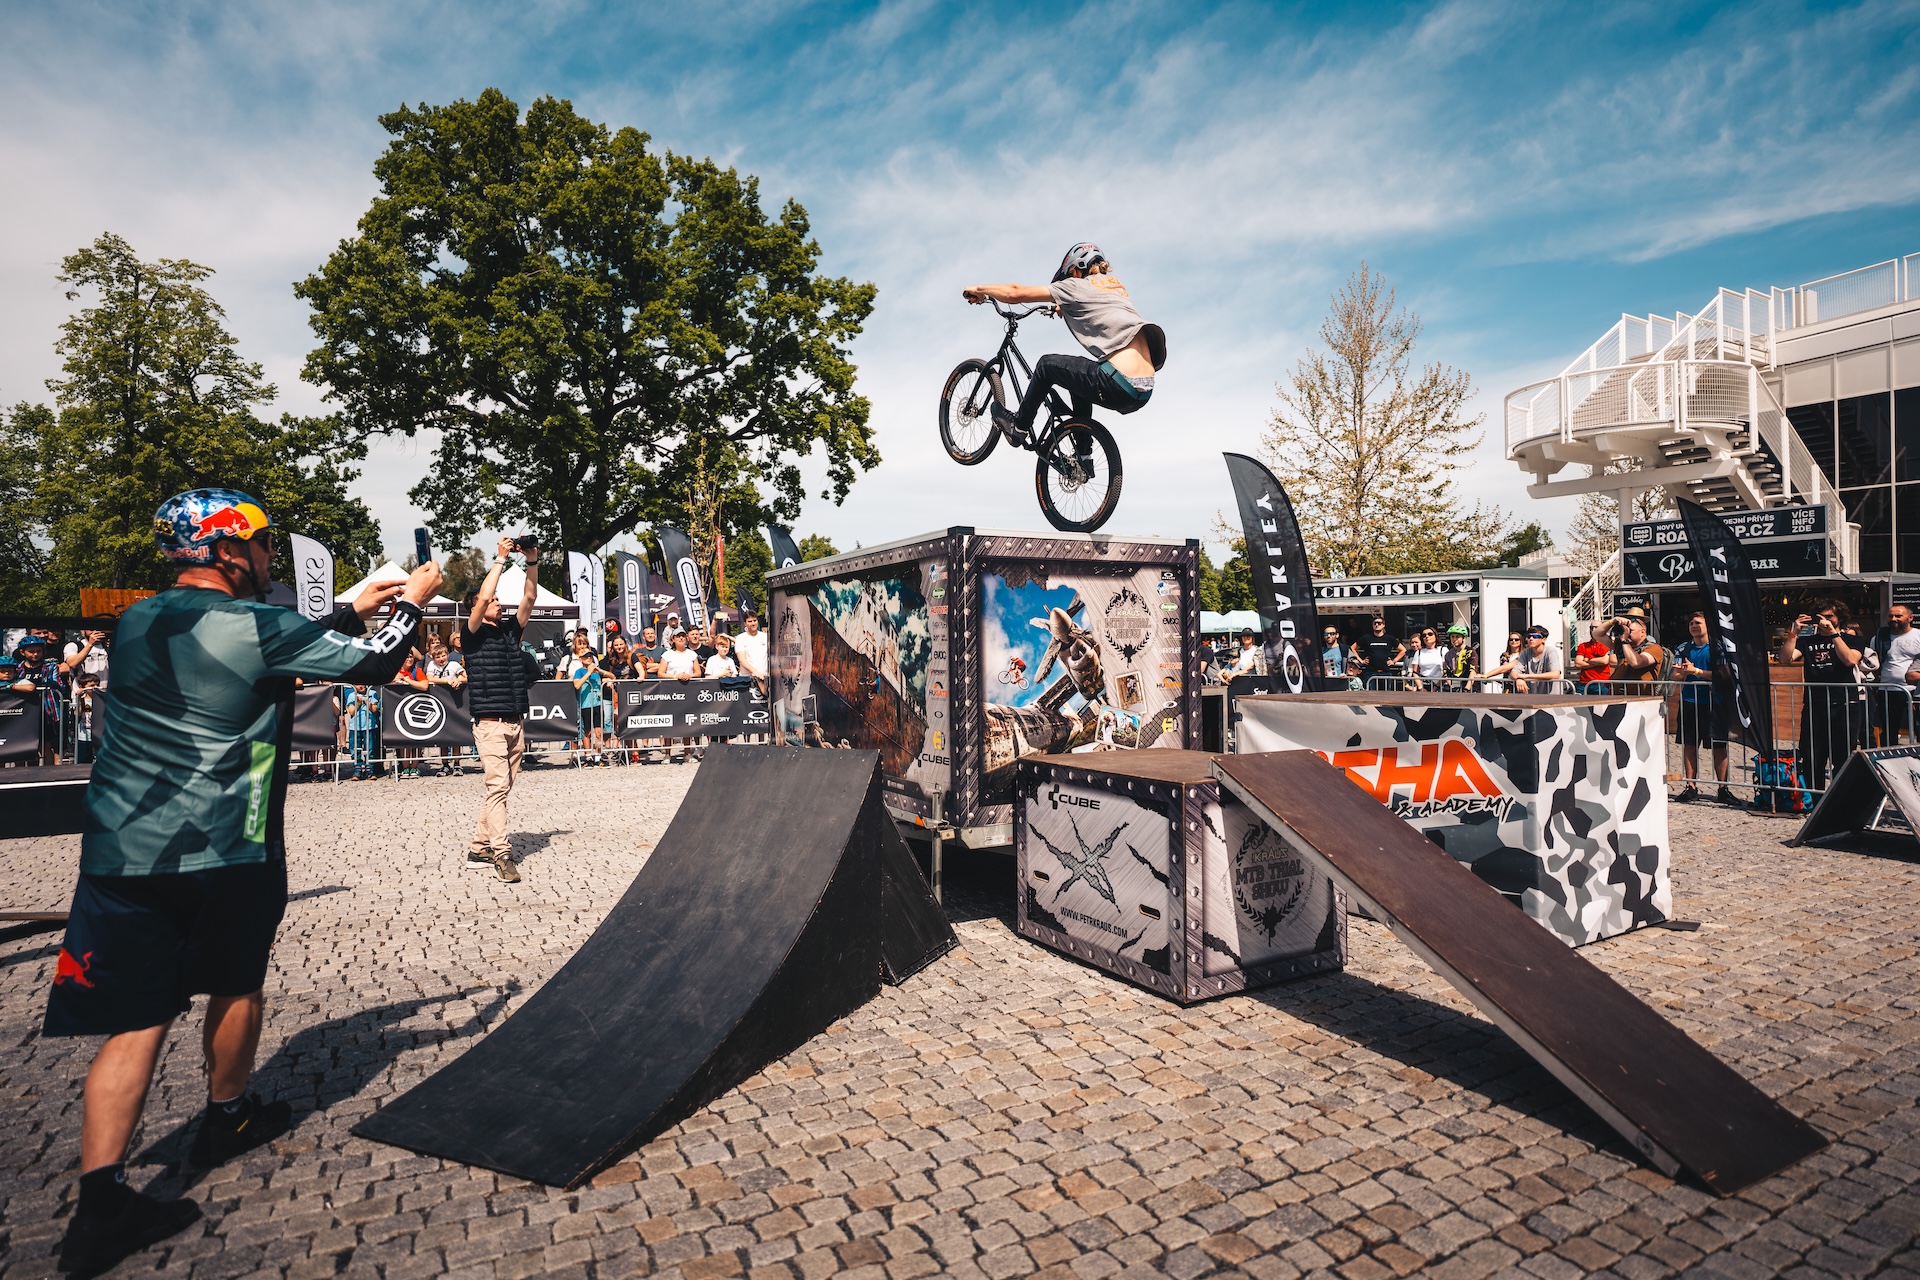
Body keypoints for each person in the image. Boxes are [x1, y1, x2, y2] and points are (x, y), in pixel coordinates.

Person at [44, 488, 434, 1274]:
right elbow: (373, 664)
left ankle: (100, 1202)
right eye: (260, 544)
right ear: (226, 550)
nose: (268, 558)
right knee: (235, 982)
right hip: (225, 843)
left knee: (135, 1019)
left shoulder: (138, 621)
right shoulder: (258, 624)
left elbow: (258, 644)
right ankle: (227, 1116)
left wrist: (350, 605)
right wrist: (414, 602)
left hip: (122, 851)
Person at [964, 243, 1165, 444]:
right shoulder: (1115, 286)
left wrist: (980, 289)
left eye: (1069, 275)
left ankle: (1019, 426)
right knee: (1077, 376)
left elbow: (1015, 293)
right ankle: (1083, 456)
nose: (1068, 280)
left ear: (1076, 269)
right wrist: (1063, 305)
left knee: (1046, 366)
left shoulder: (1075, 286)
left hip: (1117, 382)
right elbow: (1098, 304)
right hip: (1143, 391)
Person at [461, 536, 542, 883]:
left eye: (497, 599)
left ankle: (478, 847)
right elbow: (482, 598)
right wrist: (500, 559)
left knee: (501, 789)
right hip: (490, 723)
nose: (498, 602)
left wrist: (532, 561)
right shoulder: (471, 634)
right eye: (494, 600)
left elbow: (530, 597)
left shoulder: (510, 631)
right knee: (497, 787)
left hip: (515, 722)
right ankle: (502, 854)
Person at [1777, 600, 1863, 790]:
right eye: (1821, 617)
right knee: (1812, 756)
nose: (1825, 620)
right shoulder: (1807, 641)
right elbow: (1784, 659)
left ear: (1839, 617)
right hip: (1815, 704)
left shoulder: (1852, 640)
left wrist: (1833, 633)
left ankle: (1839, 797)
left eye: (1829, 616)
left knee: (1842, 755)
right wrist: (1793, 633)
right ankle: (1814, 797)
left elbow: (1850, 660)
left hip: (1845, 704)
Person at [1671, 612, 1735, 804]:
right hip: (1689, 702)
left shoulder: (1718, 647)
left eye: (1698, 622)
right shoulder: (1683, 648)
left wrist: (1696, 671)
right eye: (1691, 623)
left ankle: (1723, 788)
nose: (1693, 625)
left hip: (1715, 703)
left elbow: (1723, 675)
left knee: (1719, 746)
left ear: (1708, 626)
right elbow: (1675, 675)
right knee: (1689, 744)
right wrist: (1683, 673)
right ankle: (1691, 787)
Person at [1869, 604, 1920, 746]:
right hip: (1887, 690)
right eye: (1890, 616)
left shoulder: (1917, 635)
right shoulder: (1879, 638)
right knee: (1889, 729)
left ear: (1910, 618)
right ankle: (1888, 756)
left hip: (1915, 691)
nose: (1893, 619)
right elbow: (1874, 662)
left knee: (1917, 727)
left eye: (1898, 616)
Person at [423, 637, 466, 775]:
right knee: (443, 735)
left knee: (455, 734)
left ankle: (457, 763)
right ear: (433, 658)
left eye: (443, 656)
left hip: (453, 702)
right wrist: (447, 681)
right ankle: (445, 763)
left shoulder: (453, 665)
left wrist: (458, 680)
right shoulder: (432, 665)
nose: (441, 659)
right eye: (438, 657)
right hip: (439, 702)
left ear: (447, 655)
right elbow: (429, 678)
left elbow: (465, 677)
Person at [658, 631, 701, 764]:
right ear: (673, 640)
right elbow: (661, 673)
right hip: (671, 691)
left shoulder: (691, 654)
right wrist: (675, 676)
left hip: (688, 691)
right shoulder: (667, 655)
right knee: (670, 722)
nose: (681, 638)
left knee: (687, 722)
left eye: (683, 636)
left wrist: (689, 675)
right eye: (678, 637)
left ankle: (687, 753)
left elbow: (698, 672)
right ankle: (667, 754)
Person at [566, 629, 607, 766]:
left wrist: (600, 672)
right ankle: (587, 756)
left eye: (590, 656)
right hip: (584, 704)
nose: (588, 658)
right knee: (587, 732)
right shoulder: (578, 669)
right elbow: (577, 684)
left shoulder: (595, 669)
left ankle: (598, 756)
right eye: (585, 657)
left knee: (599, 732)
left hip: (597, 703)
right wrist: (588, 673)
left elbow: (610, 676)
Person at [1611, 613, 1664, 692]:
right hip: (1619, 695)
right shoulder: (1624, 646)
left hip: (1641, 697)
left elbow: (1636, 663)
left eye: (1630, 631)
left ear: (1642, 632)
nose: (1627, 633)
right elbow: (1598, 635)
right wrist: (1612, 621)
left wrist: (1624, 640)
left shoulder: (1654, 648)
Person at [1349, 616, 1404, 689]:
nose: (1377, 625)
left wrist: (1394, 661)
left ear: (1383, 625)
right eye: (1375, 623)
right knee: (1371, 694)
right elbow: (1352, 648)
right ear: (1372, 625)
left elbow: (1403, 650)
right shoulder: (1366, 638)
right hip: (1370, 672)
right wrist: (1361, 660)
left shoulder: (1390, 638)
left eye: (1379, 623)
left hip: (1386, 672)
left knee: (1386, 694)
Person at [1511, 626, 1564, 694]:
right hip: (1533, 695)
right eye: (1529, 636)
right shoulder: (1525, 652)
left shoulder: (1550, 651)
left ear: (1544, 639)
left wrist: (1526, 676)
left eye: (1535, 636)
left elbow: (1555, 674)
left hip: (1551, 695)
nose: (1531, 639)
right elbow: (1513, 673)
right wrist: (1519, 679)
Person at [344, 684, 379, 781]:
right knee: (355, 749)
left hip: (370, 726)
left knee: (370, 749)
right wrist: (358, 702)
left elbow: (374, 709)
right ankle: (357, 770)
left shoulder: (372, 693)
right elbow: (351, 712)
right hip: (355, 727)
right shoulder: (351, 695)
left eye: (362, 683)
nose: (360, 686)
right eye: (357, 684)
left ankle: (370, 770)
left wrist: (366, 701)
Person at [1573, 620, 1615, 696]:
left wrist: (1587, 660)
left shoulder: (1608, 644)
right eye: (1591, 627)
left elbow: (1604, 661)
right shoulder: (1582, 646)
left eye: (1596, 627)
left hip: (1602, 683)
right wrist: (1597, 662)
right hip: (1584, 683)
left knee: (1603, 703)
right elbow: (1578, 664)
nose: (1593, 629)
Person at [1439, 624, 1476, 690]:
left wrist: (1467, 688)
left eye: (1457, 637)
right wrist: (1452, 687)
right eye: (1452, 637)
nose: (1454, 639)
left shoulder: (1470, 652)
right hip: (1454, 687)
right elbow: (1446, 673)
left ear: (1464, 638)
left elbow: (1473, 671)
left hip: (1469, 687)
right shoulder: (1448, 654)